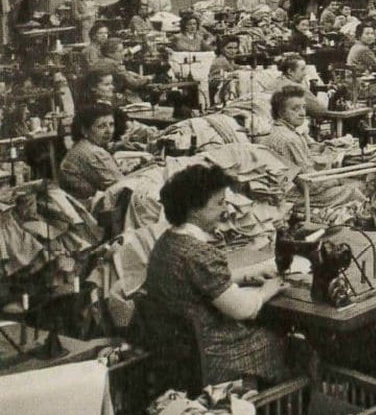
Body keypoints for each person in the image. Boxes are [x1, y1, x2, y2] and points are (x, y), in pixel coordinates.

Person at [142, 165, 288, 385]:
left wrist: (246, 275)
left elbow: (198, 281)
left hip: (178, 354)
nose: (226, 210)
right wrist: (267, 291)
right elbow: (243, 309)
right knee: (290, 343)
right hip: (214, 355)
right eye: (219, 203)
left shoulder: (166, 242)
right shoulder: (201, 254)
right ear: (195, 209)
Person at [58, 104, 124, 202]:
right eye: (101, 126)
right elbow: (123, 187)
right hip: (90, 210)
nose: (109, 131)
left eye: (111, 124)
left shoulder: (81, 145)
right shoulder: (94, 152)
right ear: (84, 130)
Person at [260, 86, 315, 173]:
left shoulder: (276, 130)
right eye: (295, 109)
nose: (302, 113)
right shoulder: (289, 139)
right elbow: (307, 176)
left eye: (303, 107)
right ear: (281, 113)